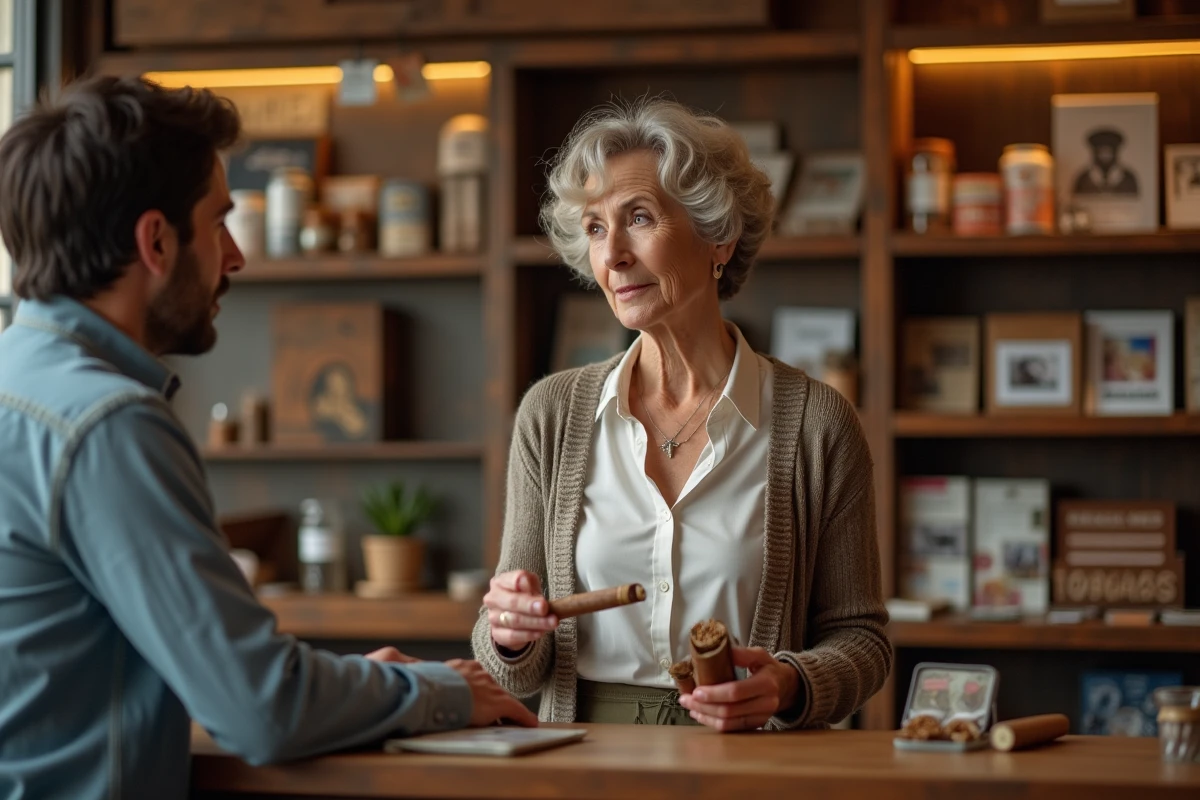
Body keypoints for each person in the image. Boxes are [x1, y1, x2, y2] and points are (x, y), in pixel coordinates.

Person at [0, 75, 535, 800]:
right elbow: (261, 710)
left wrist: (365, 685)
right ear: (155, 241)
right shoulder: (106, 425)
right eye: (218, 222)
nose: (236, 256)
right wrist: (447, 689)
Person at [471, 98, 892, 731]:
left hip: (752, 766)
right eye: (593, 227)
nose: (611, 254)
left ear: (718, 235)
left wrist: (789, 684)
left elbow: (861, 640)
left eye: (638, 217)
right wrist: (508, 632)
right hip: (582, 761)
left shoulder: (817, 425)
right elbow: (514, 665)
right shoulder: (550, 415)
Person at [1073, 128, 1138, 196]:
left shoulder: (1128, 179)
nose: (1105, 156)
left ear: (1115, 153)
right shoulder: (1083, 179)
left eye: (1108, 152)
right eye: (1101, 152)